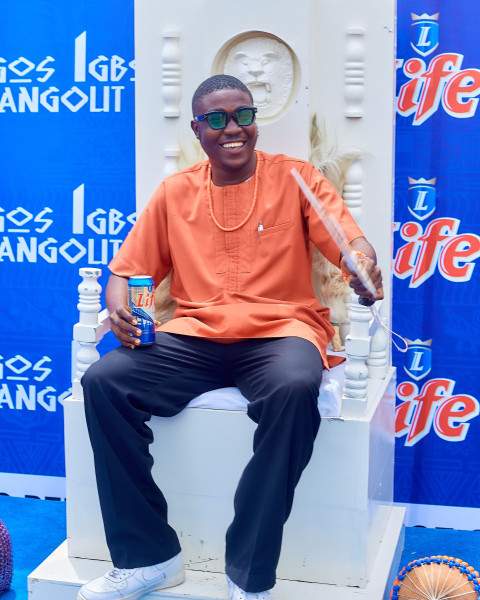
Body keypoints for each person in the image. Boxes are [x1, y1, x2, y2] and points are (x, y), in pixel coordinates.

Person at [78, 74, 383, 600]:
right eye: (216, 119)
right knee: (105, 381)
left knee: (293, 388)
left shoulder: (297, 178)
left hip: (280, 331)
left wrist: (363, 265)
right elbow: (125, 272)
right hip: (193, 335)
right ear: (199, 130)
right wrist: (118, 304)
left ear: (255, 123)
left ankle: (247, 573)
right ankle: (148, 557)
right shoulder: (176, 192)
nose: (232, 128)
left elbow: (348, 240)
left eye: (243, 115)